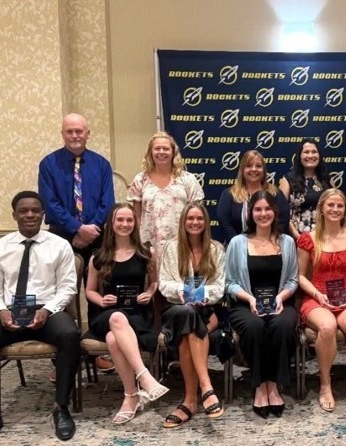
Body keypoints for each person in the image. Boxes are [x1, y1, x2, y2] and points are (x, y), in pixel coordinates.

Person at [0, 191, 80, 445]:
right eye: (23, 211)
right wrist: (1, 312)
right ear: (14, 215)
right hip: (10, 312)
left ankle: (61, 407)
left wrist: (47, 311)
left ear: (43, 215)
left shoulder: (59, 245)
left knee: (70, 334)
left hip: (49, 310)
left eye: (35, 210)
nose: (30, 215)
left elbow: (67, 287)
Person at [39, 113, 115, 373]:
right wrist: (76, 228)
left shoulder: (101, 165)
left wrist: (90, 229)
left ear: (88, 133)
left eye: (79, 131)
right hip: (62, 237)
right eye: (69, 131)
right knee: (61, 296)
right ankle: (63, 356)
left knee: (97, 294)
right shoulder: (48, 164)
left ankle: (95, 351)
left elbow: (108, 202)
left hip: (97, 237)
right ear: (63, 134)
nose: (75, 136)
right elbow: (49, 202)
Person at [84, 203, 169, 424]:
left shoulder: (145, 252)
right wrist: (101, 300)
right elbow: (89, 291)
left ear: (135, 223)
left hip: (138, 314)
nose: (125, 224)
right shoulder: (98, 257)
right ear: (111, 224)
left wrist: (149, 294)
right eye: (120, 220)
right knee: (116, 318)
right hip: (106, 313)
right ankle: (146, 378)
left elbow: (154, 283)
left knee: (114, 340)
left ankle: (130, 397)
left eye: (129, 220)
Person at [224, 191, 299, 418]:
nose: (263, 214)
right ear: (250, 213)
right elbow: (229, 282)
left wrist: (281, 298)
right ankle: (259, 385)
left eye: (267, 209)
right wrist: (250, 299)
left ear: (275, 212)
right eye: (258, 209)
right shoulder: (238, 243)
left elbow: (293, 279)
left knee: (283, 326)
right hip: (245, 305)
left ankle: (274, 384)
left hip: (279, 302)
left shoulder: (287, 242)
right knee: (255, 327)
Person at [297, 188, 346, 412]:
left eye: (339, 205)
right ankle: (325, 384)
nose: (335, 209)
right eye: (330, 205)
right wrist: (318, 295)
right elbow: (299, 275)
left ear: (345, 209)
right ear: (321, 209)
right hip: (316, 298)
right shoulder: (307, 239)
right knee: (327, 327)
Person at [159, 202, 225, 427]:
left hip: (207, 308)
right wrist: (183, 292)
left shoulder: (216, 249)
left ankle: (190, 401)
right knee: (187, 314)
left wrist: (203, 295)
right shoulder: (171, 248)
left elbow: (220, 286)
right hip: (176, 309)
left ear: (206, 222)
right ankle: (206, 387)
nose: (195, 222)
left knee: (190, 327)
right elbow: (164, 283)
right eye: (190, 218)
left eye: (199, 218)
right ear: (183, 222)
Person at [128, 131, 204, 250]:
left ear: (173, 152)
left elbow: (196, 217)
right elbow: (137, 218)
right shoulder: (140, 179)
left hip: (182, 245)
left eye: (166, 149)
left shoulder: (188, 179)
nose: (161, 152)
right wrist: (138, 245)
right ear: (150, 152)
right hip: (149, 247)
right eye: (157, 148)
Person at [218, 150, 289, 244]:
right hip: (237, 249)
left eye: (258, 166)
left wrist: (269, 244)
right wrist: (239, 246)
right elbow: (225, 224)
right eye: (249, 166)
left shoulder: (275, 193)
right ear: (242, 169)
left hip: (270, 247)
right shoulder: (229, 194)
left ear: (264, 170)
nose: (254, 169)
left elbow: (283, 222)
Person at [279, 138, 331, 239]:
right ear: (300, 156)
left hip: (323, 238)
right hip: (296, 237)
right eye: (306, 152)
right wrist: (296, 235)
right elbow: (281, 210)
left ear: (319, 156)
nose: (310, 155)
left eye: (314, 152)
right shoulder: (288, 179)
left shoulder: (327, 179)